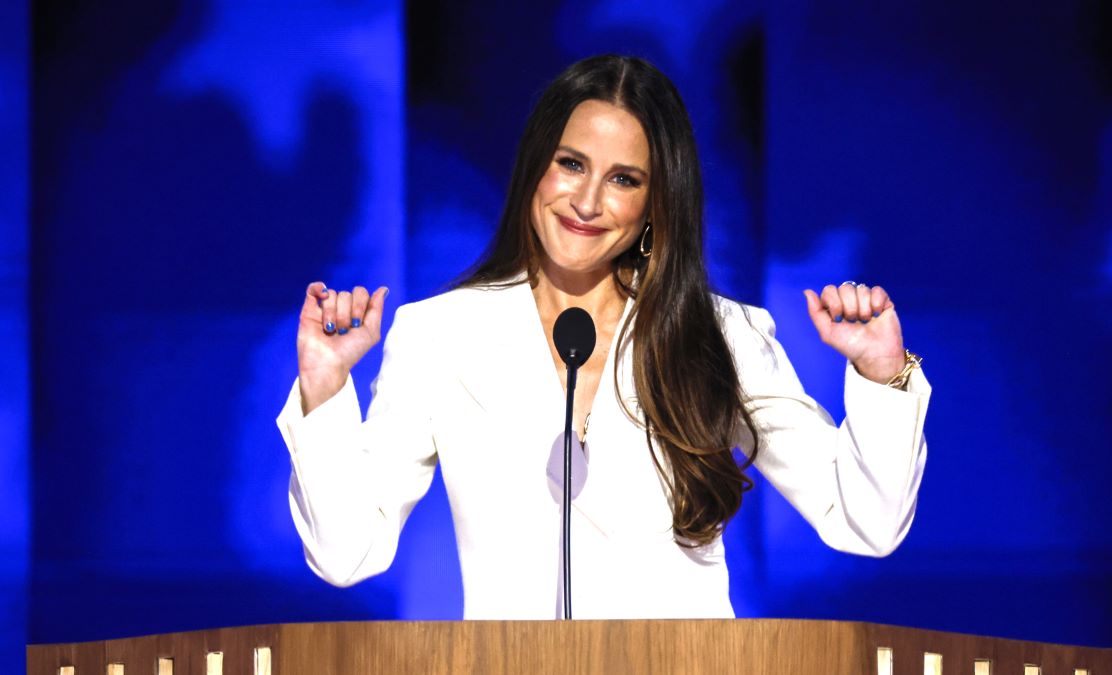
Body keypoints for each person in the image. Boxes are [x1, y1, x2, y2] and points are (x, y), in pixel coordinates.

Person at [277, 55, 929, 619]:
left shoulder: (717, 334)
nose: (587, 200)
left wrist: (881, 374)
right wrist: (327, 388)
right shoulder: (439, 334)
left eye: (624, 179)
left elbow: (865, 521)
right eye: (570, 164)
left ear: (655, 202)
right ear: (536, 166)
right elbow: (346, 552)